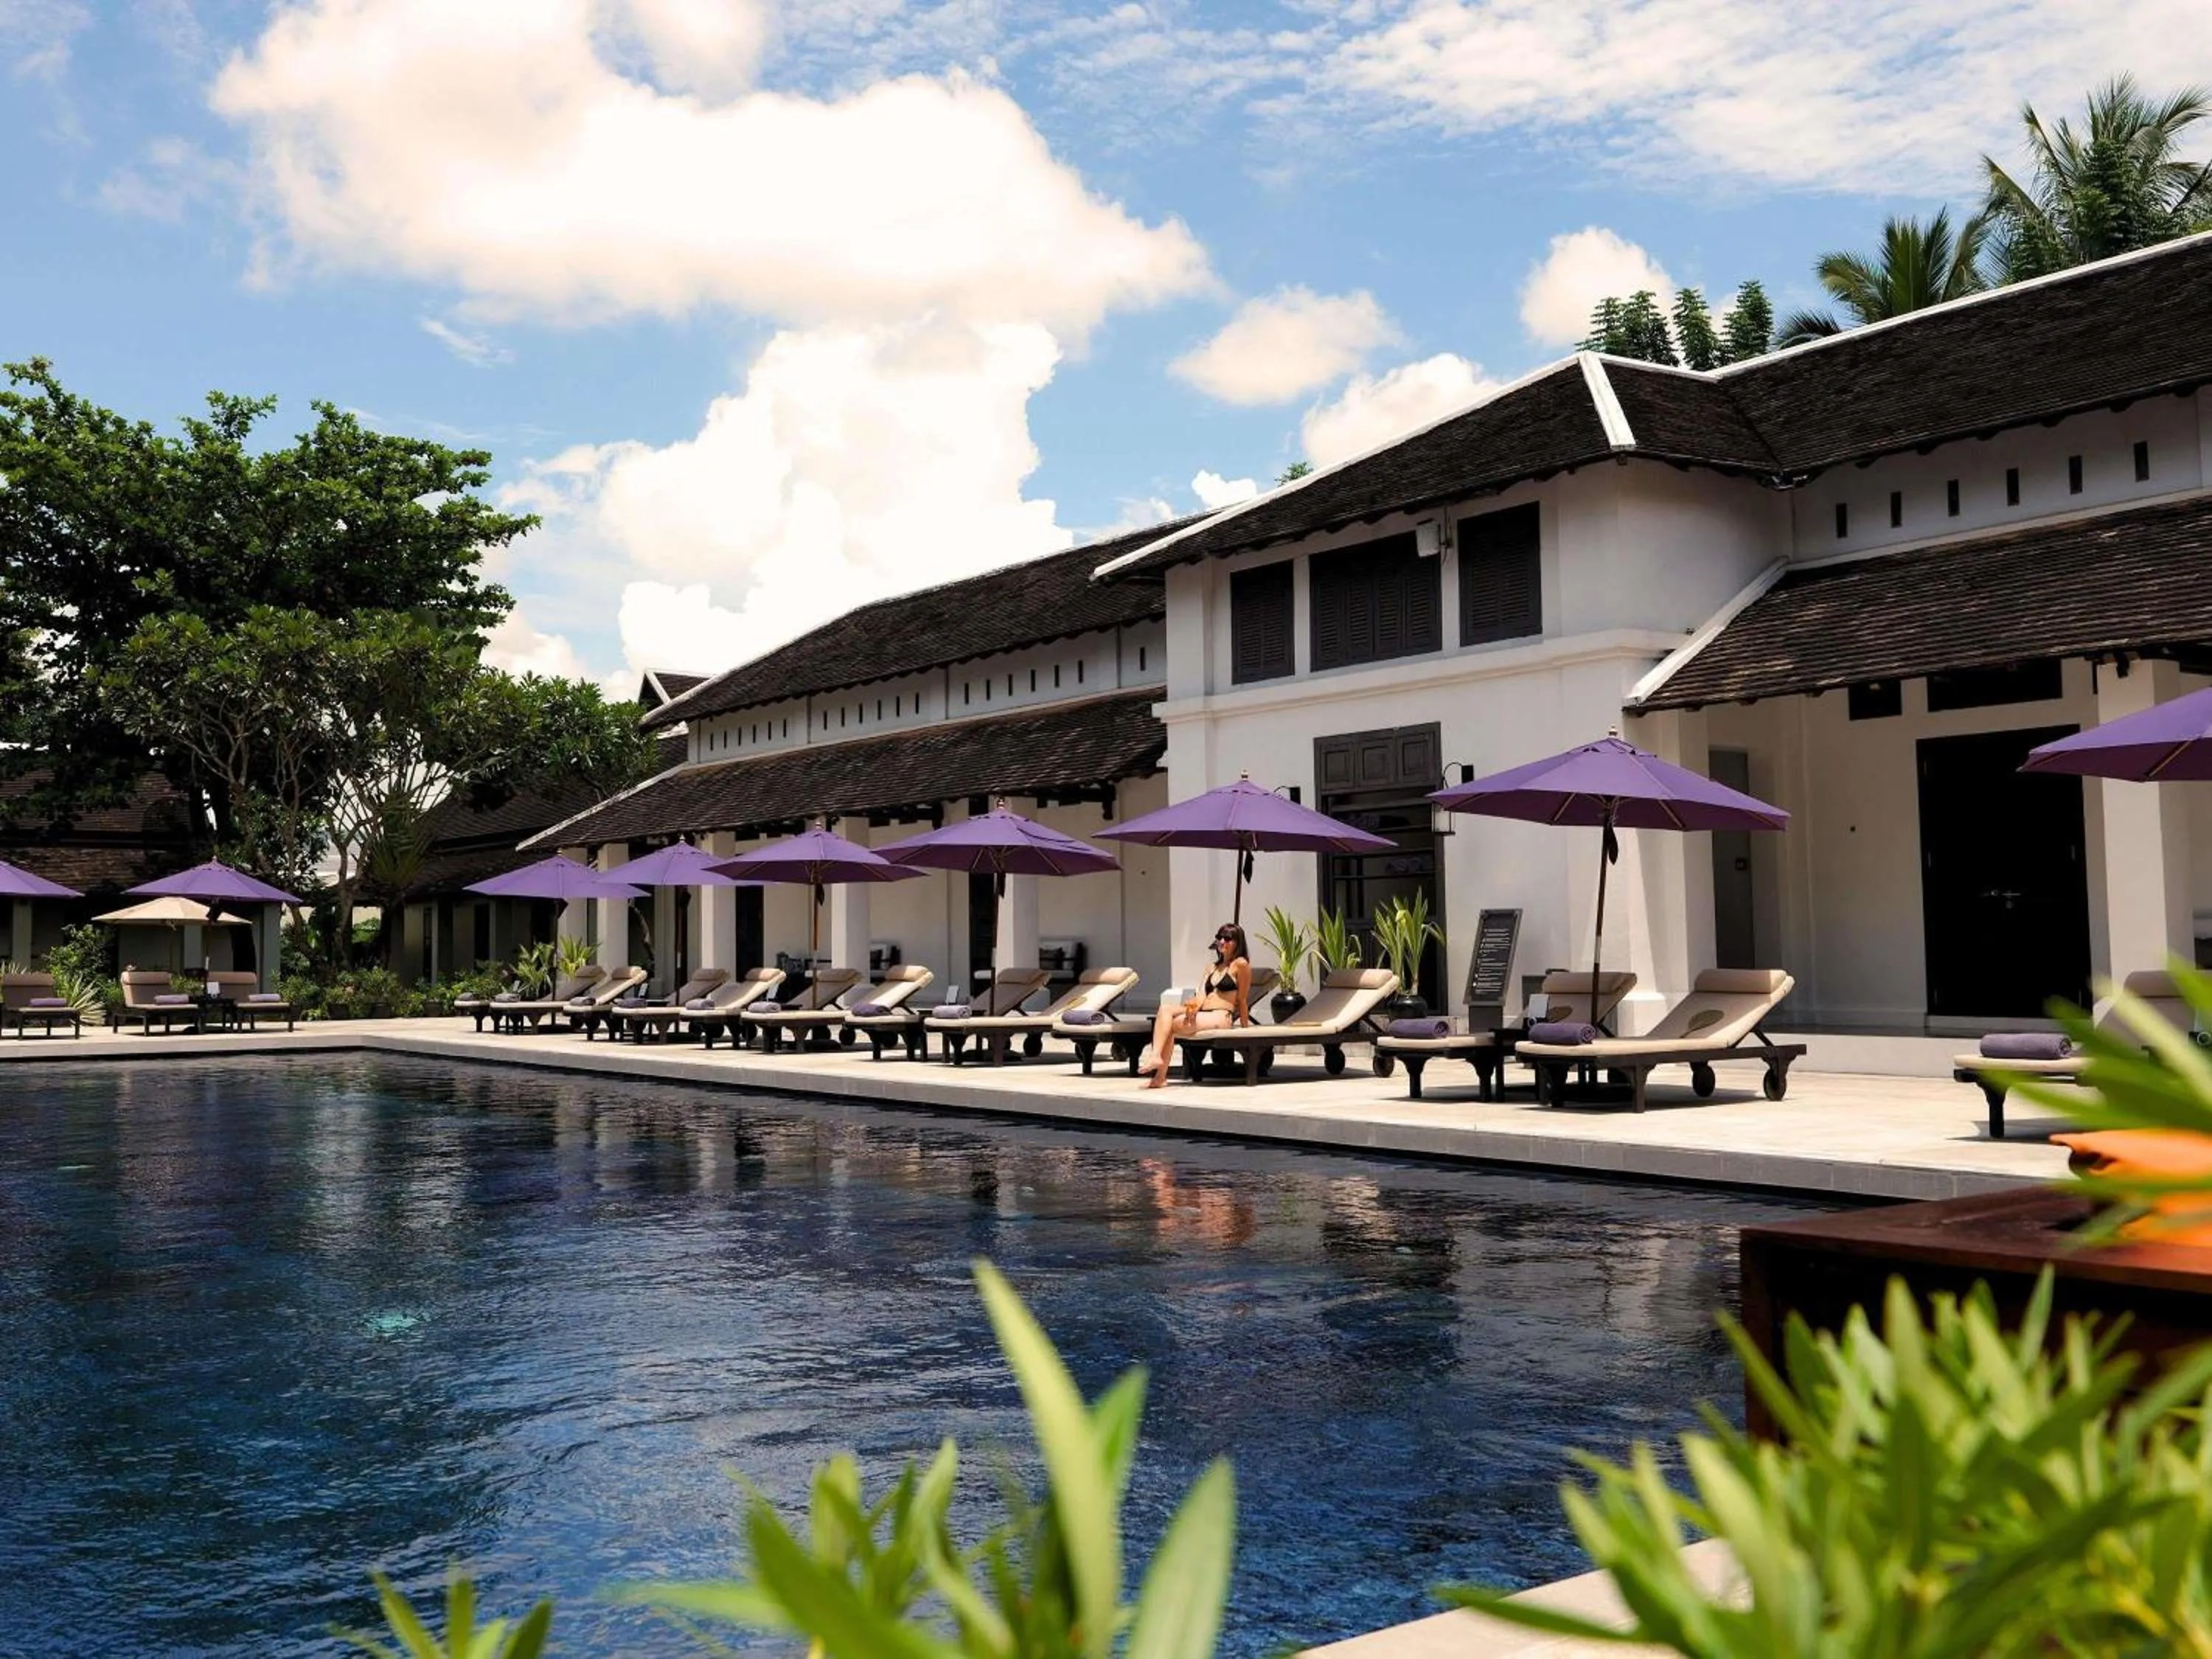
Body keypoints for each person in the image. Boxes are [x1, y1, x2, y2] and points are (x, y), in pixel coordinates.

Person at [1141, 922, 1251, 1088]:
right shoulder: (1211, 968)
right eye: (1219, 938)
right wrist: (1193, 1008)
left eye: (1227, 939)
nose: (1222, 942)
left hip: (1221, 1016)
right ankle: (1156, 1058)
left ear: (1238, 942)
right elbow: (1201, 995)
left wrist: (1245, 1028)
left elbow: (1242, 999)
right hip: (1204, 1012)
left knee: (1169, 1026)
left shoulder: (1241, 964)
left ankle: (1160, 1076)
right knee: (1165, 1010)